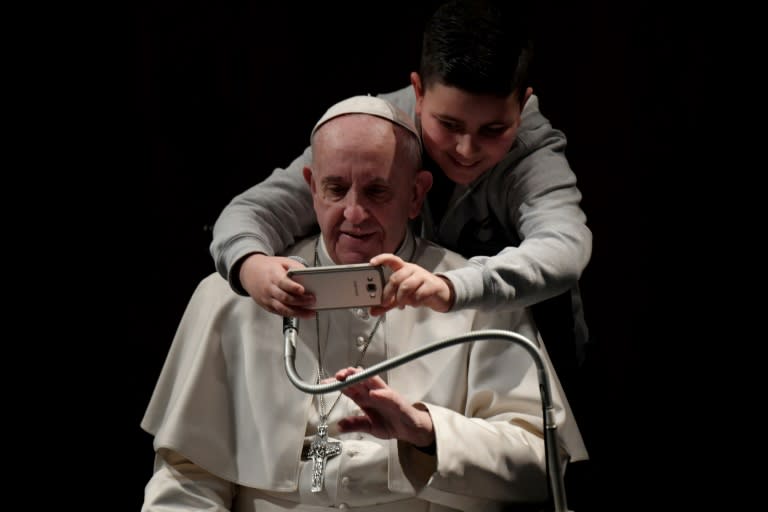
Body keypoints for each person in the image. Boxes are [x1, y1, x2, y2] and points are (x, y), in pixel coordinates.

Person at [141, 95, 587, 511]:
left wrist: (425, 432)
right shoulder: (232, 297)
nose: (354, 214)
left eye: (377, 192)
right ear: (311, 187)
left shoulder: (472, 298)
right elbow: (187, 480)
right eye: (336, 189)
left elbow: (541, 468)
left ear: (416, 195)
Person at [209, 0, 593, 410]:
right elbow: (253, 211)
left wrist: (451, 285)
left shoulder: (532, 152)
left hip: (527, 357)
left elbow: (565, 247)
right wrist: (249, 263)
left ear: (523, 104)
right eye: (449, 125)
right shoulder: (374, 128)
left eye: (494, 129)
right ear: (419, 92)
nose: (466, 149)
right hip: (413, 354)